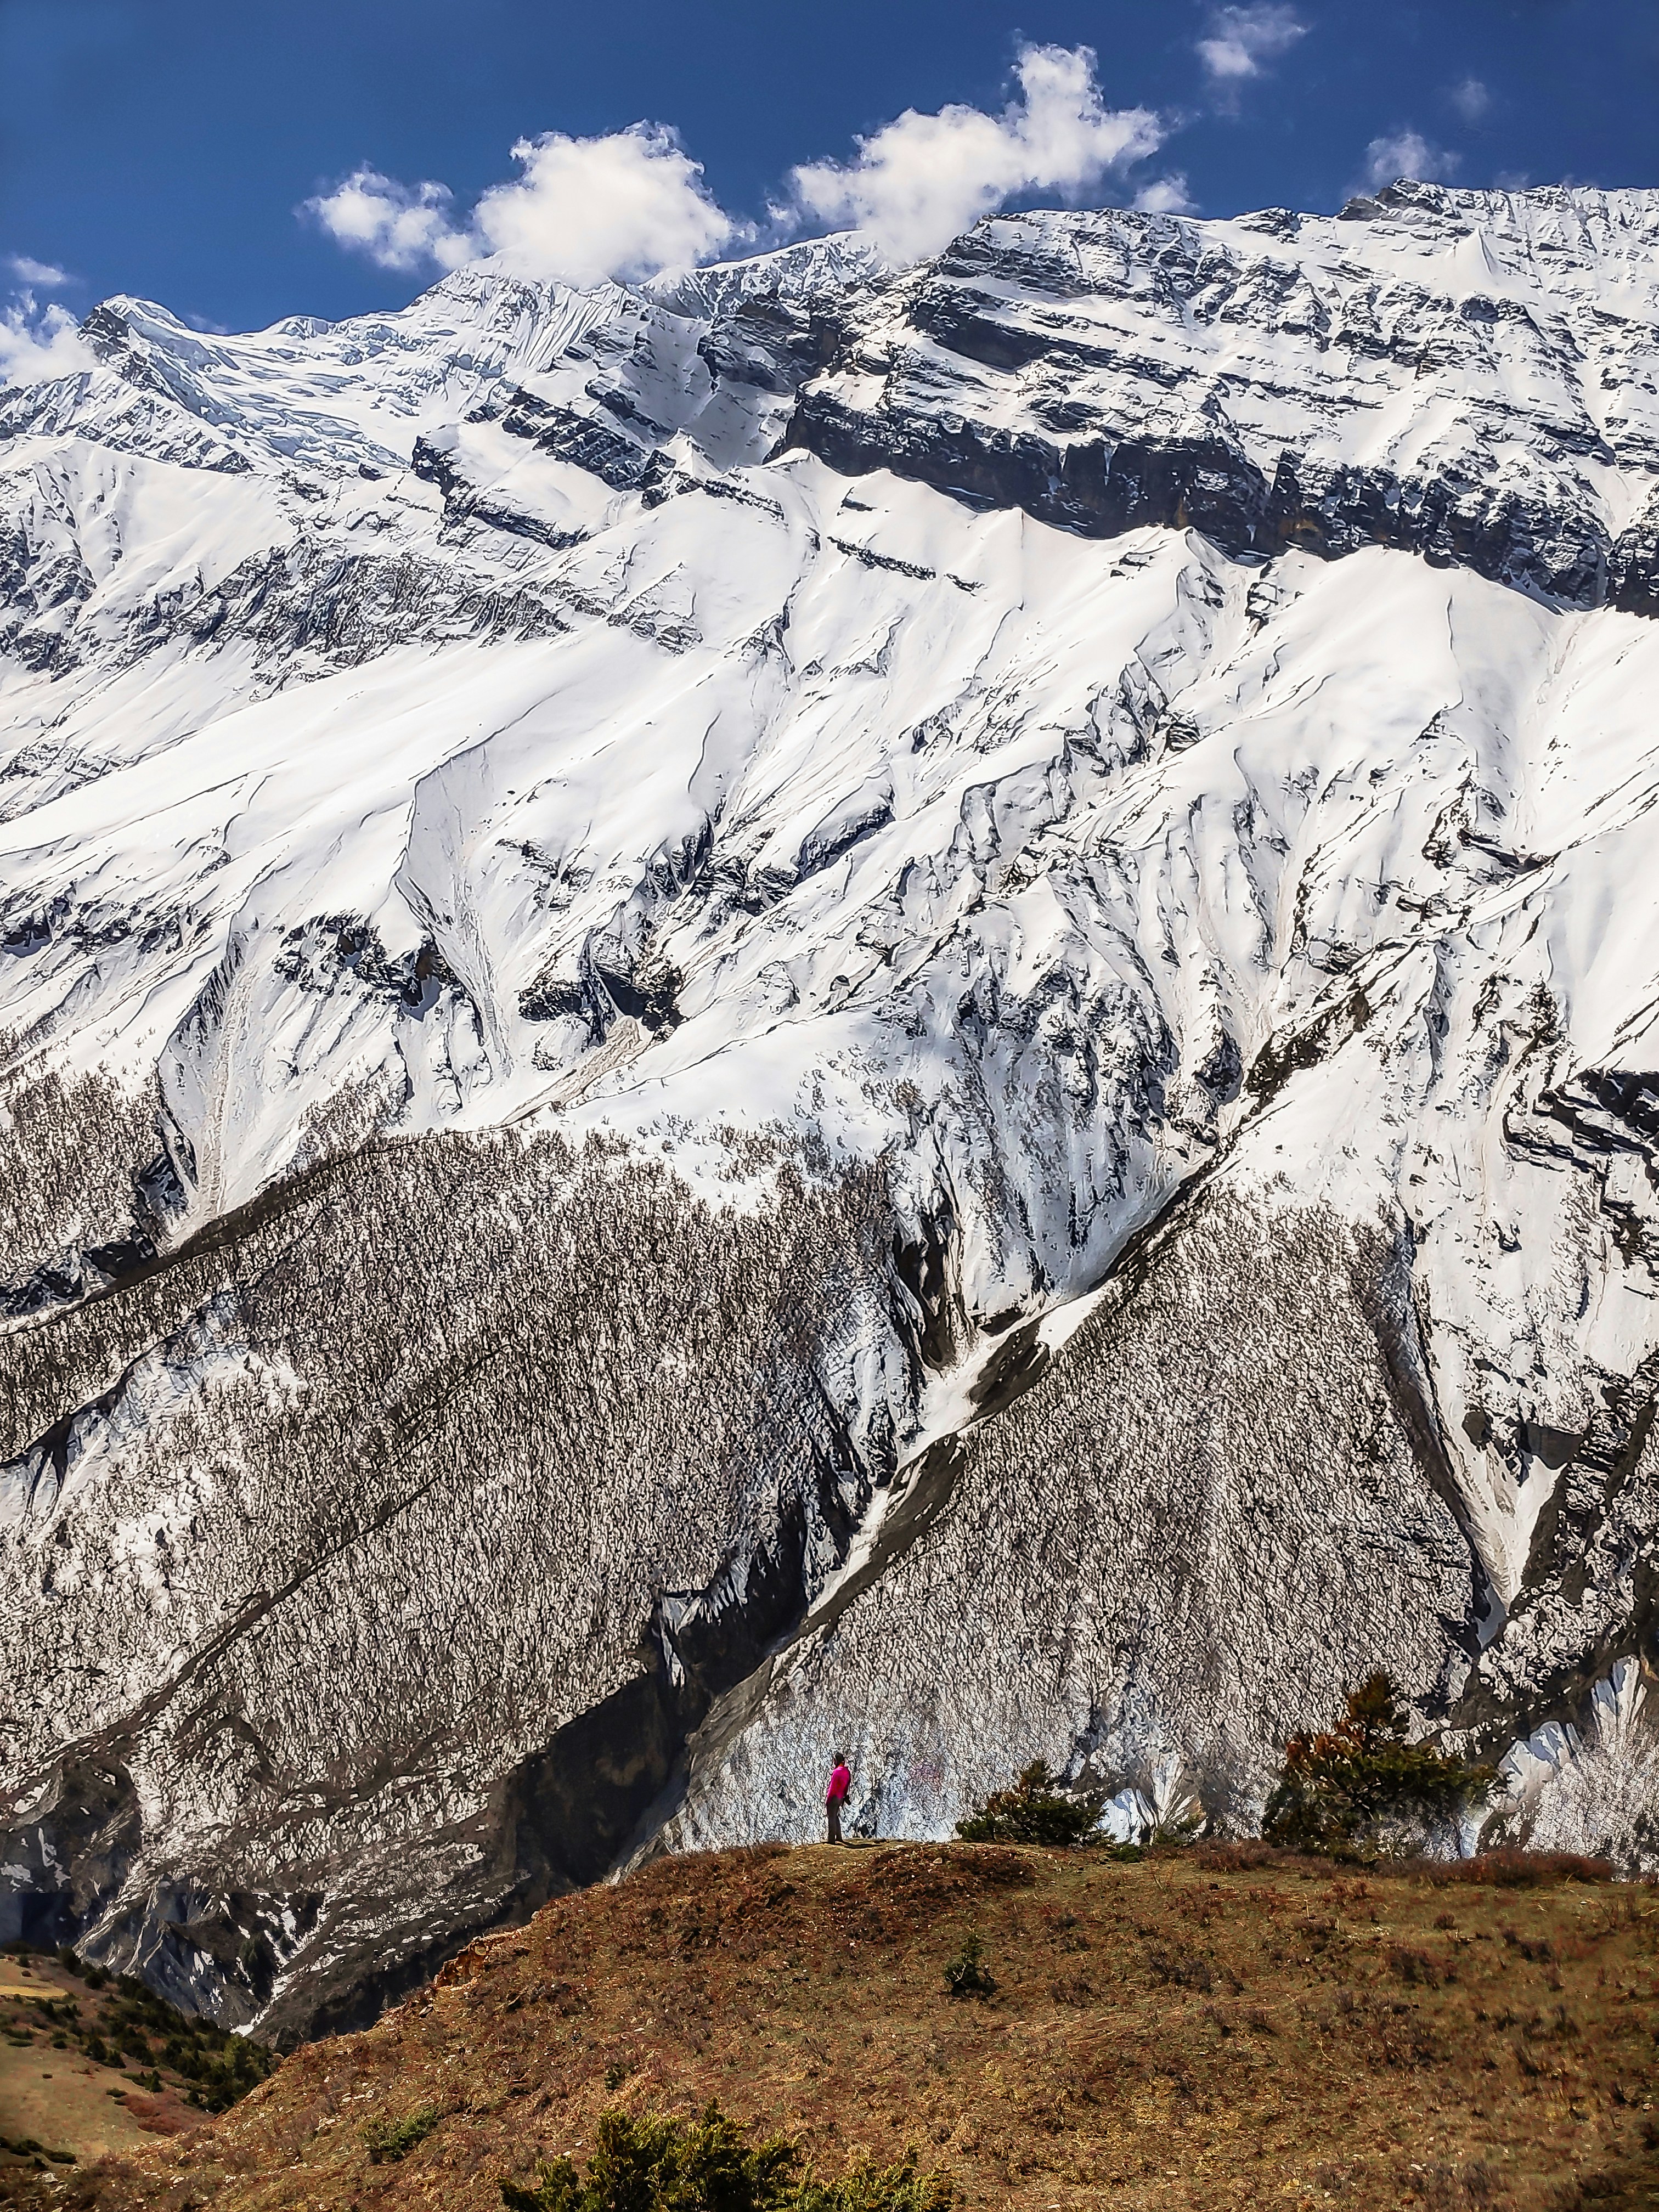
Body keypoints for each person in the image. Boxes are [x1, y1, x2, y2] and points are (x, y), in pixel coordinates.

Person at [825, 1751, 851, 1844]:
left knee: (831, 1817)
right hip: (841, 1797)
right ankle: (839, 1837)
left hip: (834, 1797)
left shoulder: (837, 1772)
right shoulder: (847, 1772)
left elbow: (832, 1788)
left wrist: (828, 1800)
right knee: (835, 1816)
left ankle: (831, 1839)